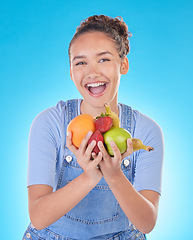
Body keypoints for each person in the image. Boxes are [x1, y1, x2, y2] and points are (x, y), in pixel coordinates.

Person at [23, 15, 164, 240]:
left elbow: (146, 223)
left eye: (103, 59)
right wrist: (89, 176)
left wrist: (115, 175)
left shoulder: (146, 131)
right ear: (71, 72)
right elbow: (38, 217)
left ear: (123, 64)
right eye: (80, 62)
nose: (92, 72)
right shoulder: (50, 122)